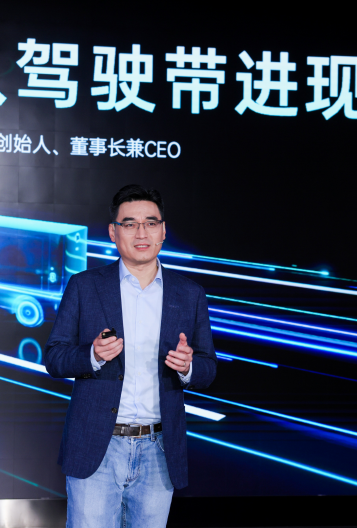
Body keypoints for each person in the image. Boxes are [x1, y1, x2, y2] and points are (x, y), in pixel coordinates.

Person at [45, 184, 218, 528]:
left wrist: (188, 367)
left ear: (163, 231)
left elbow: (208, 368)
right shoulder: (85, 286)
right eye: (130, 224)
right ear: (113, 232)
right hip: (97, 445)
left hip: (160, 450)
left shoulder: (189, 294)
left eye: (151, 223)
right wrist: (92, 355)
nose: (142, 233)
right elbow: (55, 357)